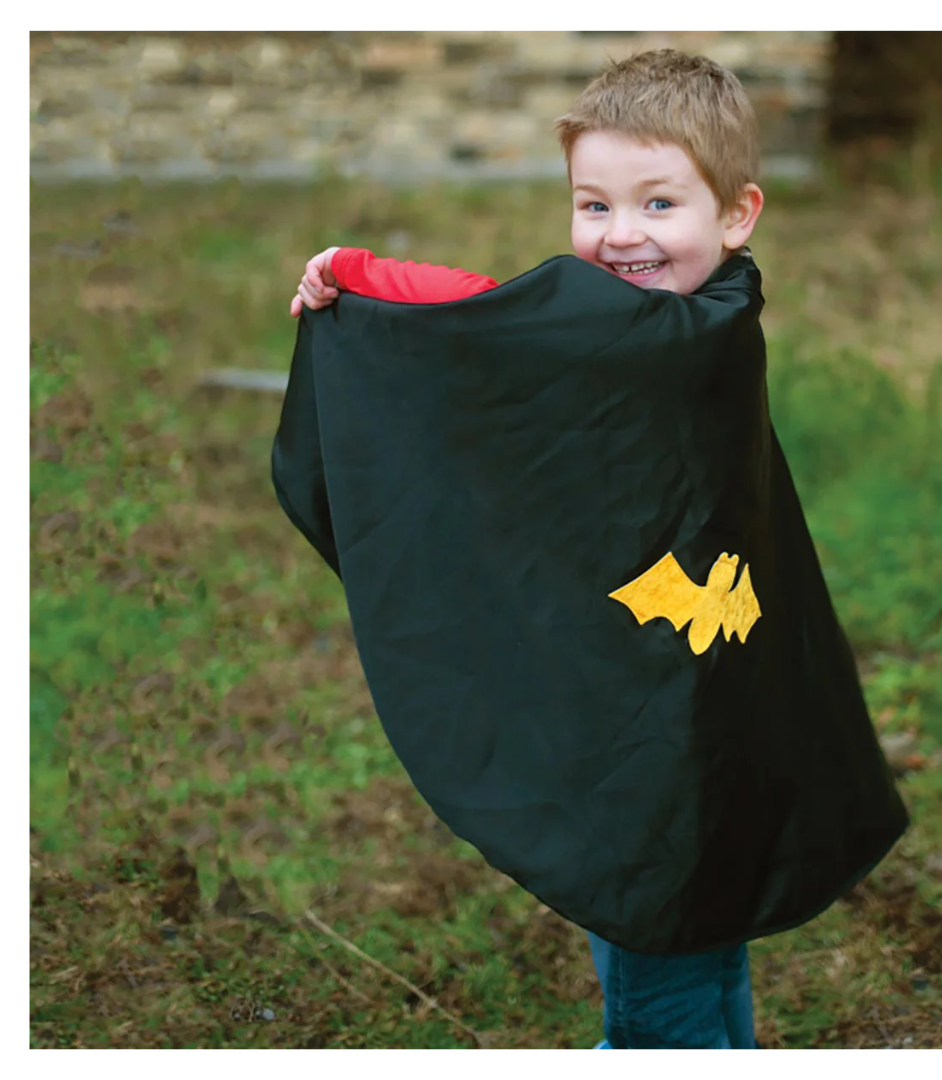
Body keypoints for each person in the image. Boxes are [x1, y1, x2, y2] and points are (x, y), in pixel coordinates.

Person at [275, 49, 908, 1050]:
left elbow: (487, 318)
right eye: (593, 205)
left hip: (665, 730)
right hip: (673, 690)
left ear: (737, 213)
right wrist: (362, 278)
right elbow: (500, 309)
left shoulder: (669, 339)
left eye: (659, 204)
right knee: (697, 930)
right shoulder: (712, 310)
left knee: (660, 922)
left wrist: (355, 273)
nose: (620, 235)